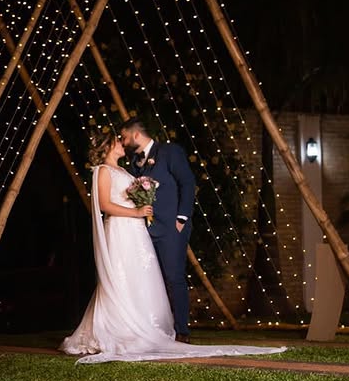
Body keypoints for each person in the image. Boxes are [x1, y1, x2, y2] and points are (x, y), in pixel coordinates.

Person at [60, 128, 286, 363]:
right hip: (119, 229)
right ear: (107, 147)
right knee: (120, 276)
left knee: (139, 278)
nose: (121, 144)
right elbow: (105, 205)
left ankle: (142, 327)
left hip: (135, 232)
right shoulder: (103, 171)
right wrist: (135, 211)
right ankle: (118, 330)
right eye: (117, 141)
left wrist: (145, 204)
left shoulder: (124, 169)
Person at [120, 116, 194, 342]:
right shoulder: (133, 162)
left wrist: (181, 218)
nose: (122, 142)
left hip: (172, 227)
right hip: (143, 230)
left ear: (135, 135)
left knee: (174, 277)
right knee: (150, 280)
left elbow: (188, 183)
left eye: (124, 137)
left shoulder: (169, 152)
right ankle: (155, 329)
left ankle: (182, 331)